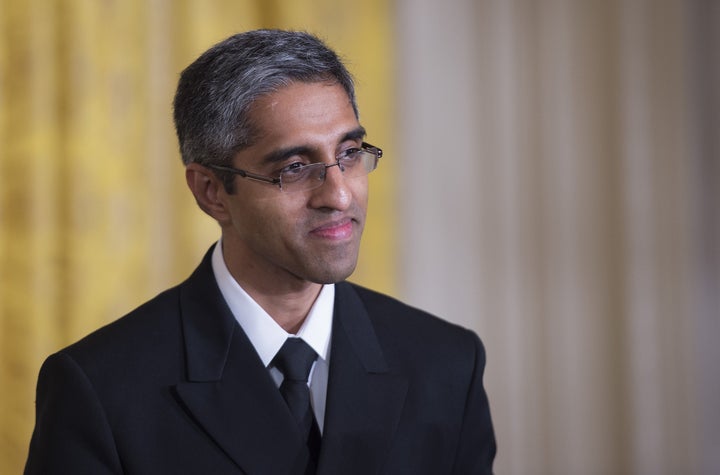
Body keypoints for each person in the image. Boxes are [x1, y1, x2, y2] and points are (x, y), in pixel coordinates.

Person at [24, 29, 496, 475]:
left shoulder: (448, 366)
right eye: (294, 167)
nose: (340, 196)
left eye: (350, 154)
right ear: (211, 191)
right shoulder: (99, 389)